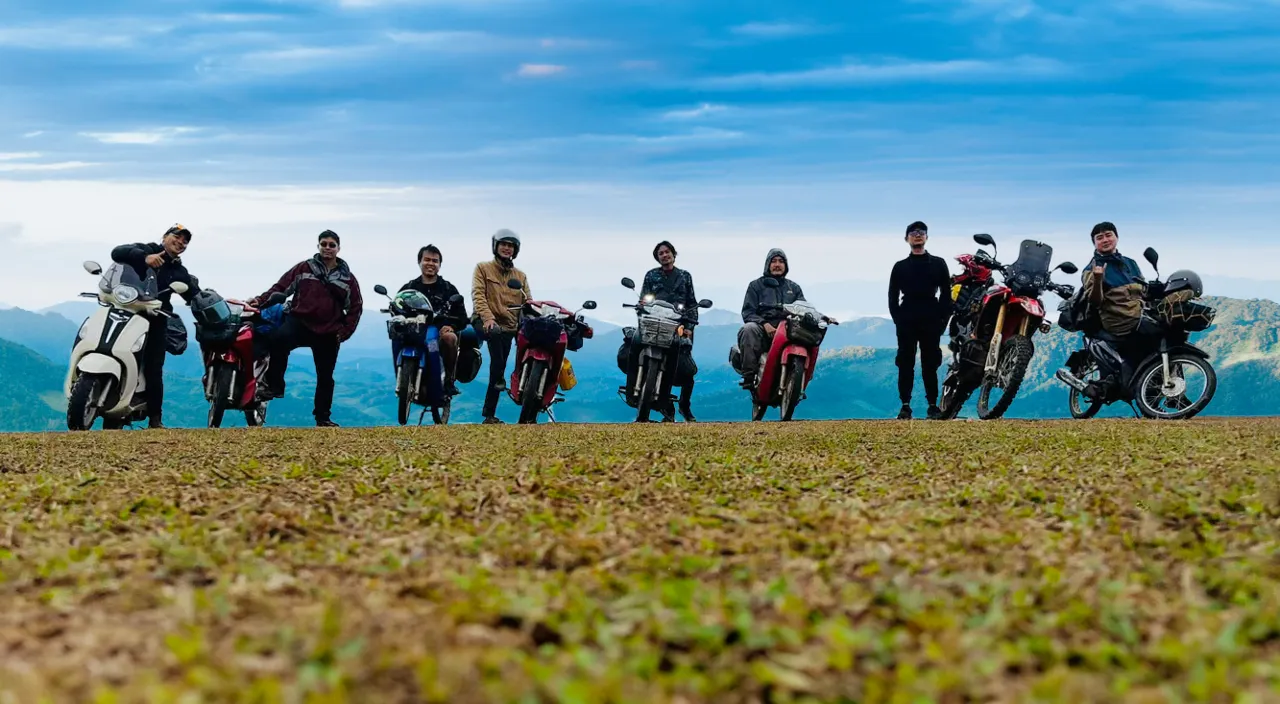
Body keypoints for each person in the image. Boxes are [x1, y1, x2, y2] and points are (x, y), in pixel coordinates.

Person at [249, 229, 363, 427]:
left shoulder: (347, 279)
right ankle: (274, 386)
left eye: (331, 245)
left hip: (328, 330)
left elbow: (355, 307)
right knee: (277, 339)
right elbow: (280, 288)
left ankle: (323, 417)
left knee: (325, 376)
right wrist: (258, 302)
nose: (327, 248)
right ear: (318, 246)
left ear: (338, 248)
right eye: (324, 244)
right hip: (299, 321)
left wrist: (344, 332)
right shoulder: (303, 268)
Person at [110, 224, 200, 429]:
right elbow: (117, 252)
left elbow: (192, 293)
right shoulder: (146, 249)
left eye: (185, 241)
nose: (181, 242)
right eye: (177, 237)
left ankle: (155, 418)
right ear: (165, 237)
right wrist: (144, 258)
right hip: (127, 310)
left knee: (154, 366)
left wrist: (205, 299)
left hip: (157, 318)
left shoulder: (178, 270)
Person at [887, 221, 951, 420]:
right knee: (905, 362)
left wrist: (942, 321)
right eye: (913, 232)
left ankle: (932, 405)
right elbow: (892, 296)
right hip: (906, 317)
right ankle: (905, 405)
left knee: (930, 363)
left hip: (931, 317)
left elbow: (946, 295)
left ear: (926, 237)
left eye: (921, 232)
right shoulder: (900, 267)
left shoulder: (939, 263)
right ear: (906, 238)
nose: (917, 235)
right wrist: (898, 319)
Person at [471, 229, 530, 424]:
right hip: (484, 321)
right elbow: (478, 296)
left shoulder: (520, 276)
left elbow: (528, 302)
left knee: (531, 345)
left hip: (510, 326)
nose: (507, 248)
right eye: (503, 244)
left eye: (511, 245)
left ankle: (531, 401)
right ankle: (489, 413)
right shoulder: (483, 268)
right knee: (498, 365)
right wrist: (488, 318)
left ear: (516, 250)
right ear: (495, 246)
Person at [636, 240, 700, 421]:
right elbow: (643, 300)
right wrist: (641, 309)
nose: (664, 255)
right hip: (655, 323)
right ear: (657, 258)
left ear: (673, 253)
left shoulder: (685, 276)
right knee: (636, 347)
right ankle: (654, 402)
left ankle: (684, 406)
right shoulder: (651, 276)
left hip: (678, 325)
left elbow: (692, 302)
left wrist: (689, 327)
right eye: (660, 253)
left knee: (684, 366)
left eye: (667, 252)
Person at [398, 244, 471, 394]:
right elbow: (397, 305)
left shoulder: (448, 288)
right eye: (427, 260)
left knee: (450, 338)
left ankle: (449, 379)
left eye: (435, 261)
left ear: (439, 265)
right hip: (415, 331)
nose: (431, 263)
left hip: (437, 334)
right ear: (419, 262)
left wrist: (452, 326)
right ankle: (403, 376)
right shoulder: (409, 288)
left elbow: (462, 317)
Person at [1081, 221, 1163, 338]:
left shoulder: (1130, 263)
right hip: (1120, 323)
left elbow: (1143, 291)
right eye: (1099, 238)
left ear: (1117, 237)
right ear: (1094, 243)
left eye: (1108, 235)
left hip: (1140, 315)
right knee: (1162, 331)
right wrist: (1098, 280)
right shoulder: (1092, 269)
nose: (1105, 240)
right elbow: (1095, 302)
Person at [736, 249, 805, 387]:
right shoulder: (756, 286)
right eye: (773, 261)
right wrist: (764, 324)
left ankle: (800, 382)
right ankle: (749, 376)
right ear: (768, 264)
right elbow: (748, 312)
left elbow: (804, 308)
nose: (777, 264)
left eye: (781, 261)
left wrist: (823, 317)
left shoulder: (794, 287)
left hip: (788, 331)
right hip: (762, 331)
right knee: (748, 329)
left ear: (786, 265)